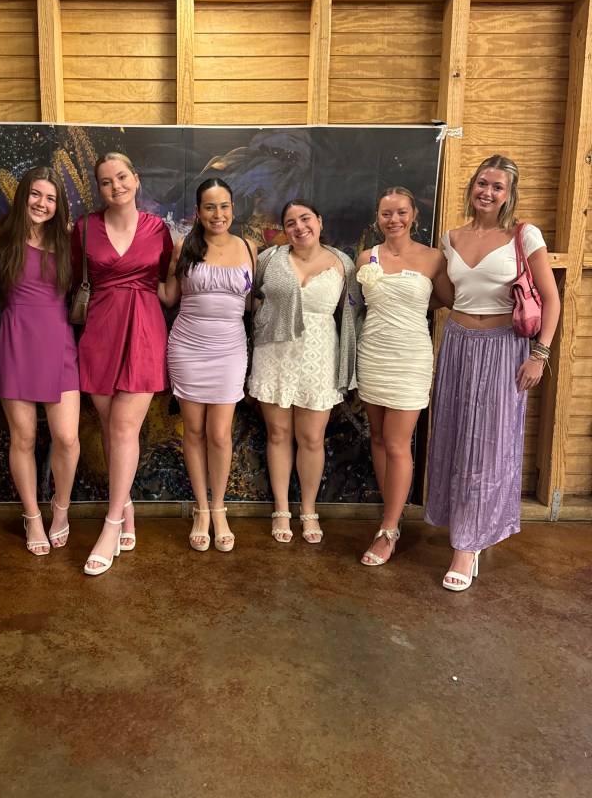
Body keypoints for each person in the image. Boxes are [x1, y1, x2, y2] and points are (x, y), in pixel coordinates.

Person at [425, 155, 560, 591]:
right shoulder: (451, 238)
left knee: (489, 442)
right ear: (472, 186)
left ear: (509, 194)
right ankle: (465, 527)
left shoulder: (524, 235)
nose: (487, 192)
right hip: (457, 343)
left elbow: (551, 299)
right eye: (482, 183)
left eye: (497, 186)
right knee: (454, 435)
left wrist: (540, 354)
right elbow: (445, 295)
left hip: (505, 347)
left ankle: (467, 548)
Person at [71, 152, 173, 576]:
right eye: (106, 181)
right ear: (99, 188)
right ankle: (126, 508)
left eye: (122, 177)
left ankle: (111, 524)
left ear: (136, 178)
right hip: (100, 331)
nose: (116, 186)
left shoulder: (158, 228)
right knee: (111, 426)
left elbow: (166, 281)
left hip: (145, 329)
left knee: (125, 428)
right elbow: (75, 278)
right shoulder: (83, 228)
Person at [248, 199, 362, 543]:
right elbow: (252, 299)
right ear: (284, 230)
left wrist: (349, 367)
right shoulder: (269, 259)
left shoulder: (343, 264)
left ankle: (309, 510)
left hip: (319, 355)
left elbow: (351, 317)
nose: (299, 227)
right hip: (274, 353)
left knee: (312, 438)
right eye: (291, 223)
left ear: (320, 221)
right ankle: (282, 510)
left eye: (305, 218)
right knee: (278, 434)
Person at [0, 166, 80, 557]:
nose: (42, 203)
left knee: (67, 438)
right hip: (16, 338)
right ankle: (32, 515)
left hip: (59, 340)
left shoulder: (67, 240)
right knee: (22, 438)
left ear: (59, 205)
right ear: (23, 195)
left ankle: (61, 507)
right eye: (36, 194)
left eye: (51, 198)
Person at [355, 187, 452, 566]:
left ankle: (389, 530)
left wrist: (412, 307)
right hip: (373, 354)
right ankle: (390, 512)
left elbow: (446, 299)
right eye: (386, 213)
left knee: (397, 443)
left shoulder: (433, 258)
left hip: (410, 357)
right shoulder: (367, 257)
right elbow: (358, 305)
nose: (393, 220)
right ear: (377, 218)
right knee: (378, 438)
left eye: (400, 212)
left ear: (413, 216)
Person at [160, 178, 256, 553]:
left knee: (219, 434)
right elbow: (169, 295)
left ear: (233, 208)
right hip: (187, 347)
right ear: (198, 212)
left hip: (230, 349)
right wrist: (130, 278)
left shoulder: (249, 247)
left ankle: (219, 509)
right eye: (210, 207)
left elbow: (252, 303)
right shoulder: (184, 246)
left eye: (224, 206)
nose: (218, 214)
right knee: (194, 431)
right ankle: (201, 509)